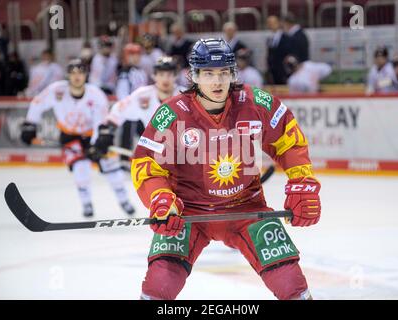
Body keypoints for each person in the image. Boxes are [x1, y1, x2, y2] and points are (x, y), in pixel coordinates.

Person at [131, 38, 321, 300]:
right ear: (194, 75)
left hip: (247, 208)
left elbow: (290, 142)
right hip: (188, 212)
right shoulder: (172, 113)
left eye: (223, 73)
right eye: (208, 73)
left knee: (291, 284)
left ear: (233, 73)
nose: (217, 82)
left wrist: (302, 184)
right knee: (159, 285)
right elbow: (147, 164)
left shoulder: (257, 103)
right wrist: (160, 198)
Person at [20, 59, 135, 217]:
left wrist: (96, 144)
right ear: (68, 75)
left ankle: (124, 200)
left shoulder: (96, 95)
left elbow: (99, 123)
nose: (76, 77)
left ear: (86, 74)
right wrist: (30, 125)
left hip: (93, 136)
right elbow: (37, 103)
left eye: (80, 73)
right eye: (73, 73)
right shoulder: (57, 90)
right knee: (81, 170)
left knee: (112, 169)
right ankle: (86, 203)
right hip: (69, 137)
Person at [93, 56, 185, 158]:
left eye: (169, 75)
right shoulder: (142, 95)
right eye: (161, 74)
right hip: (155, 152)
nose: (165, 79)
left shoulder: (187, 97)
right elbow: (119, 110)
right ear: (154, 75)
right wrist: (106, 133)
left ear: (176, 76)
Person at [266, 15, 287, 84]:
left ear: (278, 23)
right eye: (269, 23)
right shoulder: (269, 38)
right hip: (273, 72)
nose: (271, 25)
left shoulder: (285, 37)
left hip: (283, 72)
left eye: (273, 23)